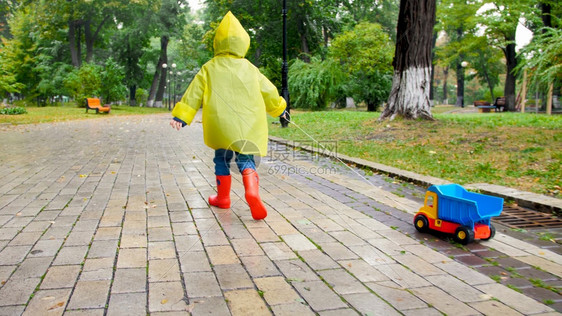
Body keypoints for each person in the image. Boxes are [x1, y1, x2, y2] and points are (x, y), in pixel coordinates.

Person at [170, 11, 287, 220]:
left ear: (217, 43)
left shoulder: (209, 68)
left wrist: (182, 116)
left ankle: (223, 198)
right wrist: (279, 109)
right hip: (246, 125)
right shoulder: (251, 69)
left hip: (220, 123)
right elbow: (269, 92)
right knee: (245, 158)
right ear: (243, 43)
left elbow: (194, 92)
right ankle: (252, 190)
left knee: (221, 158)